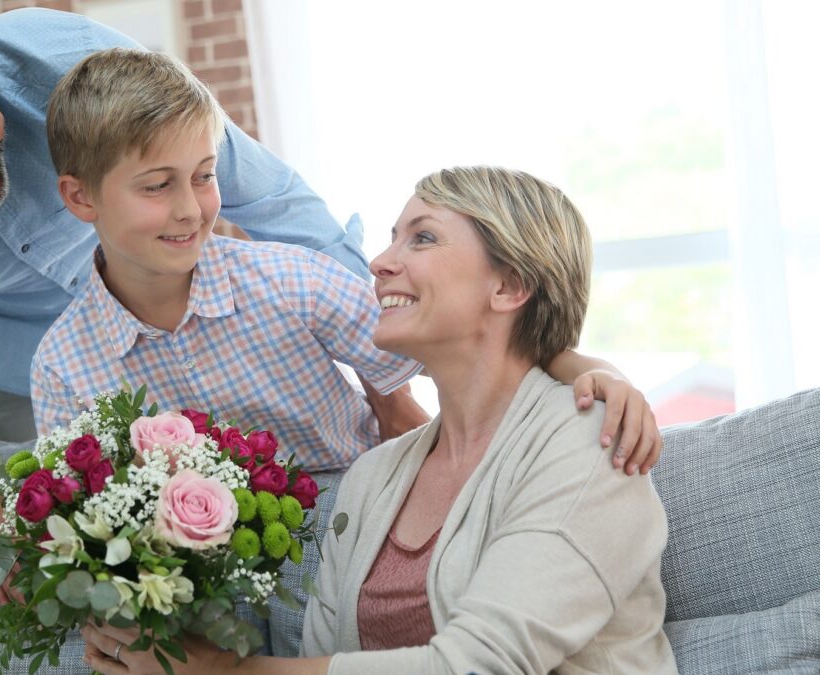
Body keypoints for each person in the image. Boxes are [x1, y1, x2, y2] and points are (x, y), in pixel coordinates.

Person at [44, 50, 664, 662]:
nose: (377, 261)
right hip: (197, 578)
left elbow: (501, 342)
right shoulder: (378, 483)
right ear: (80, 197)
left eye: (205, 176)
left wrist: (590, 371)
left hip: (318, 517)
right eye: (157, 185)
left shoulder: (584, 446)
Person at [0, 0, 382, 565]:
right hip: (1, 373)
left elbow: (275, 202)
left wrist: (386, 376)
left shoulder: (72, 60)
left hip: (179, 329)